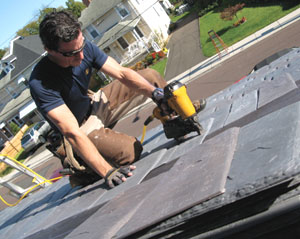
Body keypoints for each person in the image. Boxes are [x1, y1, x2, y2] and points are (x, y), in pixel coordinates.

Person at [29, 10, 168, 188]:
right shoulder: (41, 82)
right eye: (70, 53)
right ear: (49, 50)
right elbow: (72, 132)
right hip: (80, 128)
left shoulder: (83, 49)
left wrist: (155, 94)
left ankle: (176, 120)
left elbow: (122, 73)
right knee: (130, 151)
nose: (80, 56)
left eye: (81, 47)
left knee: (150, 78)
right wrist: (107, 171)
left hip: (94, 104)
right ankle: (85, 169)